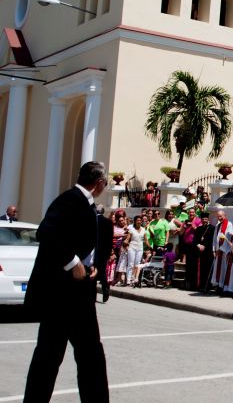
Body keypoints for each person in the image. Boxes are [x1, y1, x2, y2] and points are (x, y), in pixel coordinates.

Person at [23, 161, 109, 402]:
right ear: (99, 183)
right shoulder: (70, 200)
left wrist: (91, 267)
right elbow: (46, 232)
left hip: (74, 293)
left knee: (59, 354)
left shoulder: (83, 204)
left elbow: (77, 239)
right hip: (65, 295)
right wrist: (73, 263)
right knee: (83, 355)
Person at [211, 210, 233, 291]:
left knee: (223, 269)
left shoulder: (229, 224)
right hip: (218, 251)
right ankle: (217, 286)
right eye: (218, 216)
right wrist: (214, 250)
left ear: (225, 215)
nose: (219, 218)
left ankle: (223, 287)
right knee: (217, 270)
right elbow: (214, 238)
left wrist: (221, 249)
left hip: (225, 251)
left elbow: (228, 237)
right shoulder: (218, 225)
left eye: (221, 216)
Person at [94, 205, 114, 302]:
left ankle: (93, 294)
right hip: (104, 252)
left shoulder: (93, 221)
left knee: (93, 271)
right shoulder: (109, 222)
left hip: (94, 251)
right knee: (102, 271)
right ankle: (105, 287)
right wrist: (109, 252)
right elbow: (110, 239)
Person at [126, 215, 147, 287]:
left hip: (140, 248)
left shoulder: (144, 229)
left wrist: (151, 248)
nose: (139, 222)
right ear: (135, 221)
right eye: (137, 220)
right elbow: (127, 239)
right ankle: (128, 280)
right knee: (131, 264)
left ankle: (134, 278)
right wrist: (125, 245)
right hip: (132, 247)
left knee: (137, 264)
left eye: (140, 220)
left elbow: (146, 241)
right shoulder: (131, 229)